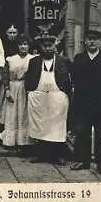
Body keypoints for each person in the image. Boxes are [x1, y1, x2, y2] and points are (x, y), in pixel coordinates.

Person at [69, 30, 101, 176]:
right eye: (89, 39)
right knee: (83, 133)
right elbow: (74, 79)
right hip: (83, 103)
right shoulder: (79, 58)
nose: (92, 42)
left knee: (100, 135)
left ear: (100, 42)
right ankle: (82, 161)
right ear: (84, 41)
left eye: (95, 39)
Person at [25, 34, 72, 165]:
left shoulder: (64, 61)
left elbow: (70, 79)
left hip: (57, 97)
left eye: (50, 46)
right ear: (40, 47)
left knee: (57, 126)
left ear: (55, 46)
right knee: (40, 126)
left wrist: (66, 92)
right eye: (45, 46)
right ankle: (41, 155)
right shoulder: (34, 62)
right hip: (39, 97)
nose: (47, 49)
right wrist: (30, 91)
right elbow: (28, 78)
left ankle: (58, 155)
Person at [0, 34, 35, 149]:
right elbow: (5, 76)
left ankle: (23, 141)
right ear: (17, 46)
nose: (23, 47)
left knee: (24, 113)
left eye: (25, 44)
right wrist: (7, 90)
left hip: (26, 88)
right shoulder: (11, 59)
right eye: (21, 45)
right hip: (13, 87)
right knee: (12, 113)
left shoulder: (32, 59)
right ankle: (10, 140)